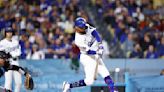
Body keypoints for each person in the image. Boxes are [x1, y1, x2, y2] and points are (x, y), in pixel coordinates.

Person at [62, 17, 115, 92]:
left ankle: (113, 90)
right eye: (81, 27)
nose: (84, 28)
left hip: (95, 55)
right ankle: (68, 85)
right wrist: (97, 52)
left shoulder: (86, 26)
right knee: (89, 81)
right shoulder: (78, 40)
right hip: (87, 57)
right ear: (76, 28)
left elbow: (95, 34)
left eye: (84, 26)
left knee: (105, 73)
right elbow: (88, 51)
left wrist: (100, 45)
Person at [0, 27, 22, 92]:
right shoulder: (2, 42)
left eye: (10, 32)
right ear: (5, 33)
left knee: (19, 82)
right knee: (8, 82)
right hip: (7, 62)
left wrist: (12, 53)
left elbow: (19, 51)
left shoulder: (16, 42)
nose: (9, 33)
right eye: (8, 32)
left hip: (15, 61)